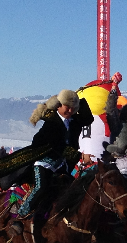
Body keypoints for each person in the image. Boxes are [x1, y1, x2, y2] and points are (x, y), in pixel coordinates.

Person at [15, 89, 94, 224]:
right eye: (67, 106)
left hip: (63, 164)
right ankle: (20, 217)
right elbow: (57, 146)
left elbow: (89, 118)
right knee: (41, 187)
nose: (70, 110)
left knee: (69, 191)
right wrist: (80, 156)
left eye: (73, 108)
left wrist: (78, 98)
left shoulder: (74, 121)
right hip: (44, 161)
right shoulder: (51, 122)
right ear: (59, 105)